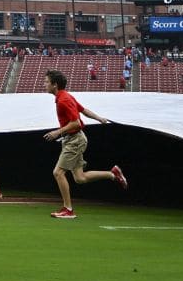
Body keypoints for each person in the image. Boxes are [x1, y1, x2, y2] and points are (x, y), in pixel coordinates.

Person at [43, 70, 127, 219]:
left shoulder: (64, 99)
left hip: (75, 140)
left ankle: (68, 210)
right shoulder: (64, 96)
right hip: (73, 139)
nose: (44, 84)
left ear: (55, 85)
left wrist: (57, 132)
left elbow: (75, 123)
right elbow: (84, 111)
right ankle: (112, 174)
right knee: (80, 178)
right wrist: (99, 118)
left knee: (58, 172)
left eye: (46, 82)